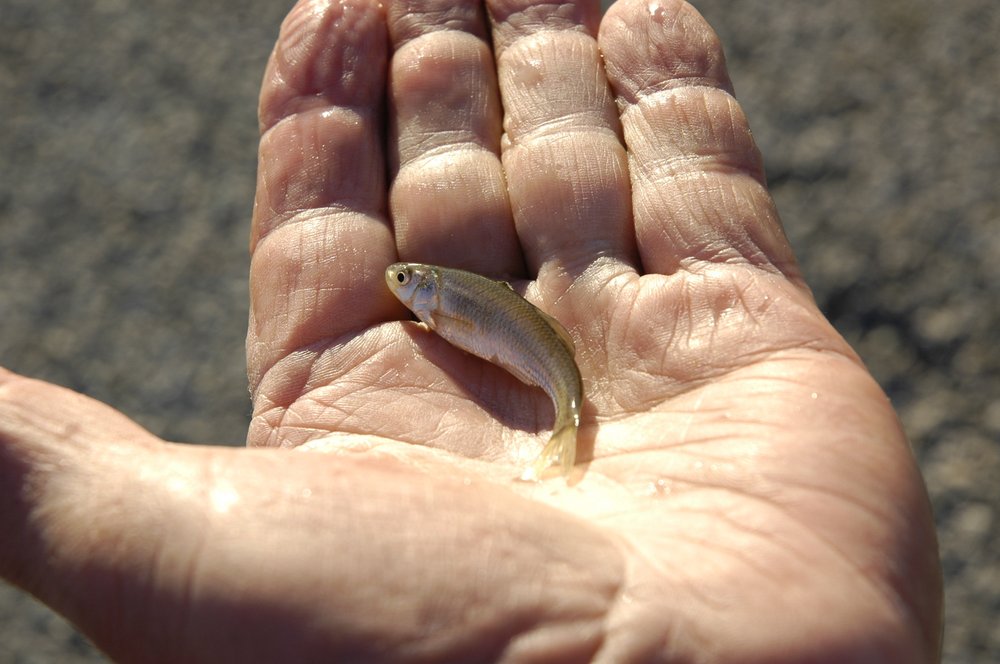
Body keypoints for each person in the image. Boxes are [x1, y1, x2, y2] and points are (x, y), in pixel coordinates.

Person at [0, 0, 942, 661]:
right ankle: (561, 413)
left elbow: (461, 321)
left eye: (410, 281)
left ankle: (564, 415)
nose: (403, 288)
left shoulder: (440, 302)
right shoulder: (437, 308)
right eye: (411, 283)